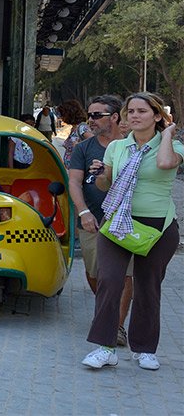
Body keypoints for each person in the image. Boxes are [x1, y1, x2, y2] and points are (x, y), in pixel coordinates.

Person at [80, 92, 182, 371]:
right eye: (131, 111)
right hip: (117, 224)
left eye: (142, 111)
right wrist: (100, 174)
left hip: (157, 227)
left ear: (157, 116)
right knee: (110, 282)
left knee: (148, 287)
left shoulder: (173, 147)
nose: (134, 116)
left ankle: (145, 349)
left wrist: (168, 133)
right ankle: (105, 347)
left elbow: (163, 164)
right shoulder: (117, 147)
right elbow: (105, 185)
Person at [67, 95, 133, 347]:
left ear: (115, 117)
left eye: (97, 115)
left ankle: (116, 326)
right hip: (92, 219)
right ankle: (106, 306)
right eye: (89, 115)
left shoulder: (131, 145)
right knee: (95, 273)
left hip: (126, 220)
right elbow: (74, 181)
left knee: (125, 275)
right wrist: (83, 213)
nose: (90, 120)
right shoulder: (84, 148)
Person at [59, 99, 88, 164]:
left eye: (62, 114)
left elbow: (94, 143)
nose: (61, 117)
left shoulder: (82, 128)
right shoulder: (73, 128)